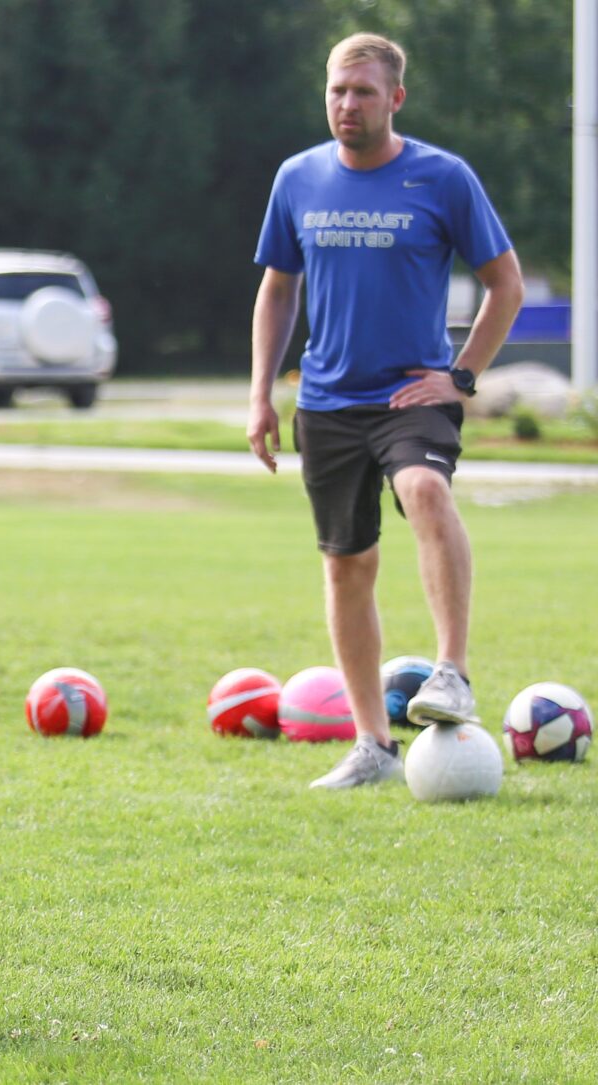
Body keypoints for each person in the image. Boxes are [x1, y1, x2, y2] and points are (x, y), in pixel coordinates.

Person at [249, 33, 524, 789]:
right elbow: (278, 289)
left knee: (426, 489)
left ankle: (452, 672)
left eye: (364, 92)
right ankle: (372, 744)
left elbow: (506, 283)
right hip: (326, 401)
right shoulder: (297, 177)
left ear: (395, 98)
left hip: (411, 393)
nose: (348, 104)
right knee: (347, 565)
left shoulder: (443, 178)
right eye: (338, 90)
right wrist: (261, 393)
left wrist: (460, 377)